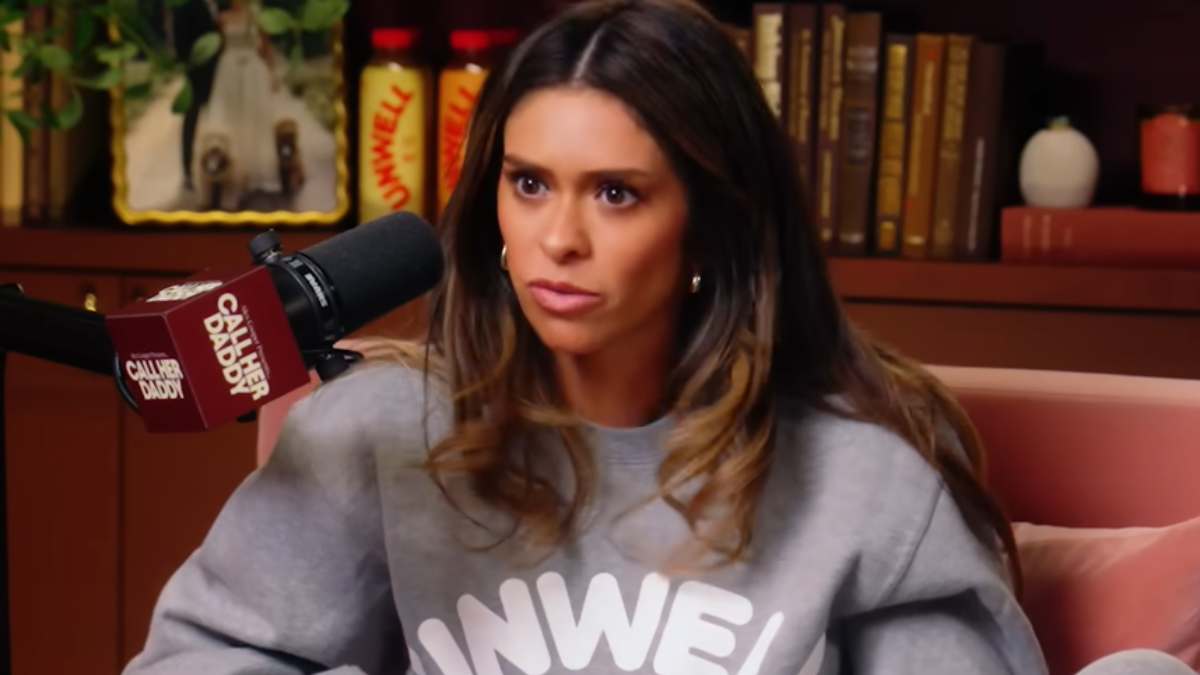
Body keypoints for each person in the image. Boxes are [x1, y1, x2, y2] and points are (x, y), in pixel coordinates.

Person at [122, 1, 1193, 674]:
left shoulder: (863, 481)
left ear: (712, 223)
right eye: (529, 183)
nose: (558, 238)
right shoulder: (378, 433)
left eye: (617, 193)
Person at [191, 0, 285, 208]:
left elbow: (265, 48)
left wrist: (271, 73)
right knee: (230, 116)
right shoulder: (222, 19)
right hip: (229, 71)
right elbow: (220, 47)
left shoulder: (258, 17)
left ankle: (252, 170)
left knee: (252, 117)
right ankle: (230, 172)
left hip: (253, 70)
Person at [171, 0, 221, 190]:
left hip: (222, 71)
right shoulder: (187, 5)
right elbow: (179, 33)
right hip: (197, 72)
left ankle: (217, 169)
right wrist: (187, 63)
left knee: (219, 121)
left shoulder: (220, 5)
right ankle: (187, 170)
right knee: (191, 118)